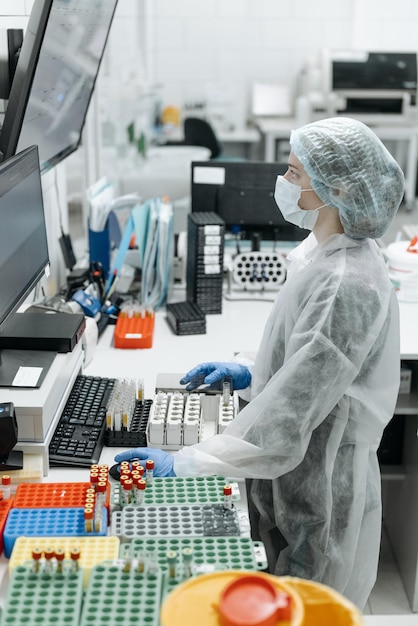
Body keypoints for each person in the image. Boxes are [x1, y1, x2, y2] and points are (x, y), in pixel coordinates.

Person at [115, 117, 405, 609]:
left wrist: (184, 464)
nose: (283, 184)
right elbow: (307, 360)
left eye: (294, 174)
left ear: (336, 188)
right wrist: (255, 372)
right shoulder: (326, 252)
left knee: (307, 599)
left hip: (323, 482)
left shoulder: (346, 282)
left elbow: (287, 418)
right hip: (305, 463)